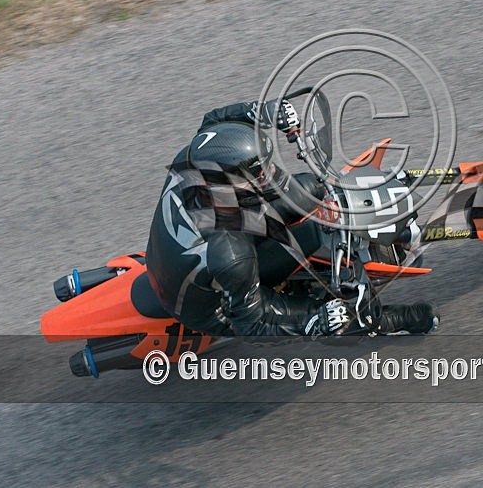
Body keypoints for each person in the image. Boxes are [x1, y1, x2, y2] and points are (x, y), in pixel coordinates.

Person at [145, 97, 438, 337]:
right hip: (215, 306)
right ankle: (383, 322)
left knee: (314, 187)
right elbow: (253, 323)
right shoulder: (231, 253)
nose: (268, 173)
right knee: (334, 315)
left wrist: (265, 111)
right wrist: (315, 322)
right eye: (257, 173)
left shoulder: (199, 155)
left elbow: (215, 121)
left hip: (192, 246)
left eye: (264, 164)